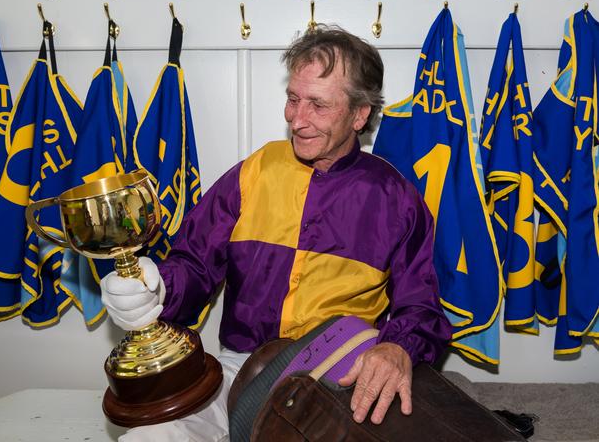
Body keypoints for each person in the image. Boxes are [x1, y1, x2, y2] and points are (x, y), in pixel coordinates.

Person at [101, 25, 452, 441]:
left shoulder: (397, 198)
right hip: (242, 370)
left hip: (341, 378)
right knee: (149, 438)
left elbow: (421, 310)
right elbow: (194, 265)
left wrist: (397, 349)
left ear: (360, 114)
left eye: (318, 105)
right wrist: (153, 287)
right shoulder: (253, 171)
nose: (297, 119)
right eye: (293, 99)